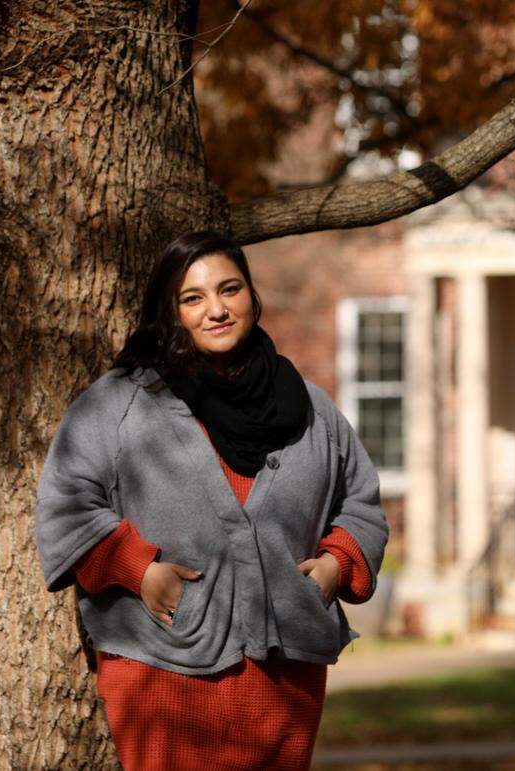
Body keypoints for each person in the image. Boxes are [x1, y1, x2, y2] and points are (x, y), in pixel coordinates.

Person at [33, 230, 389, 770]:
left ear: (252, 296)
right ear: (170, 312)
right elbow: (65, 506)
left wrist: (337, 566)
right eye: (193, 298)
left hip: (285, 674)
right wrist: (140, 570)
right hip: (162, 670)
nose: (216, 310)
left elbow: (360, 501)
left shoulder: (312, 408)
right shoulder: (120, 402)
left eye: (230, 290)